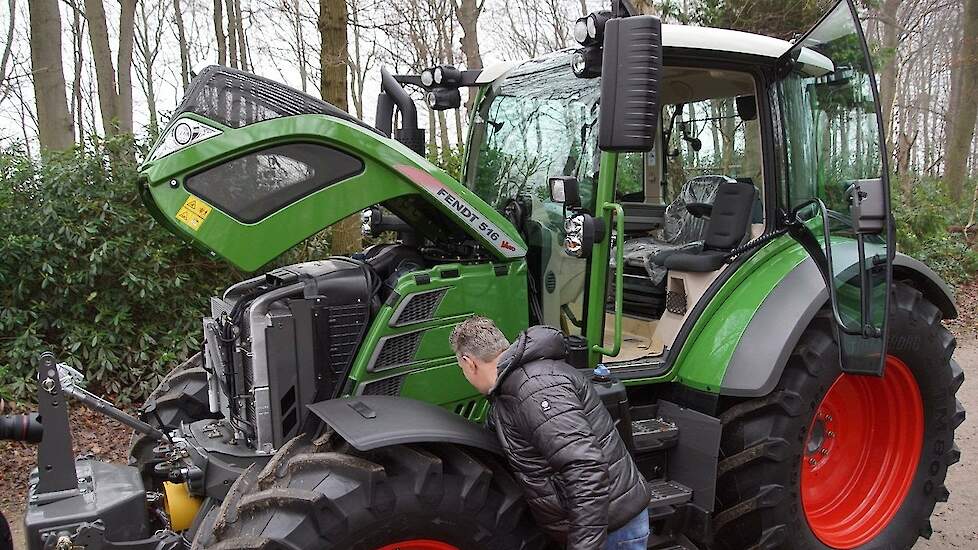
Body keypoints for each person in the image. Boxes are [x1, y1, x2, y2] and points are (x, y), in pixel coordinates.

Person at [449, 317, 651, 550]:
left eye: (462, 370)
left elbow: (585, 468)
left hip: (612, 530)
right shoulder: (508, 395)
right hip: (596, 525)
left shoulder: (535, 389)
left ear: (469, 363)